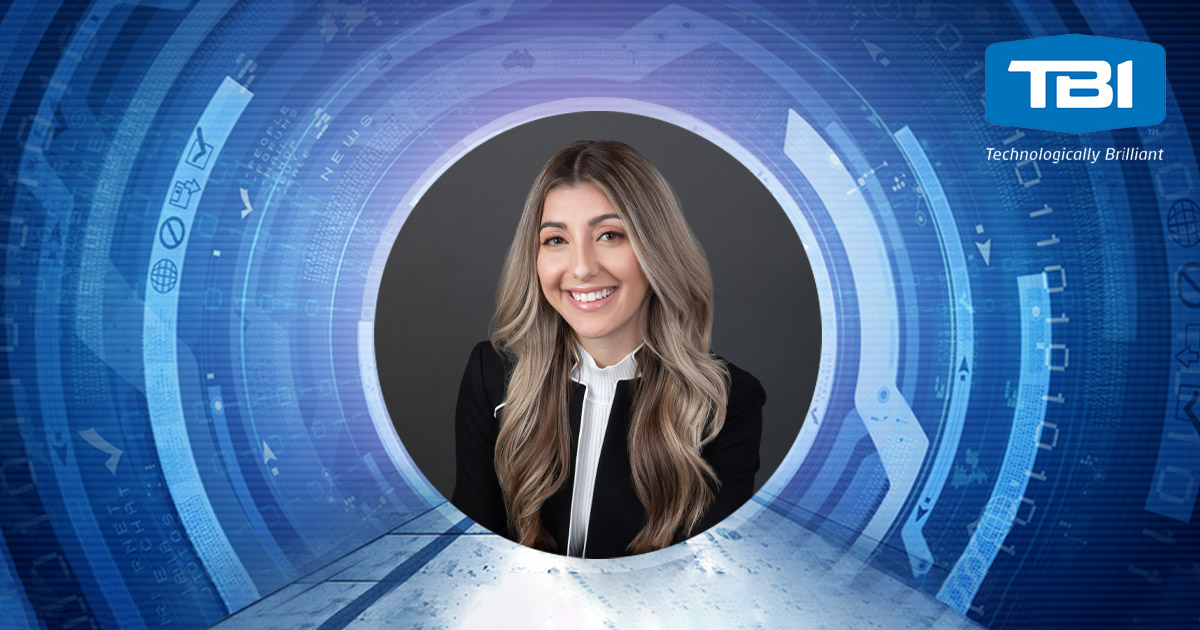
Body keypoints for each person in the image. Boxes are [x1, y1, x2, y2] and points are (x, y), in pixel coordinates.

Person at [451, 139, 765, 559]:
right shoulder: (492, 376)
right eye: (556, 240)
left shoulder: (725, 402)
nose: (581, 268)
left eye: (610, 235)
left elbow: (704, 586)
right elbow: (470, 558)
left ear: (656, 249)